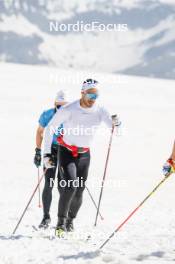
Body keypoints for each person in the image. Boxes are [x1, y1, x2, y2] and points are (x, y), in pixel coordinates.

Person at [43, 79, 120, 236]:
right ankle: (60, 224)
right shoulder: (69, 109)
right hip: (66, 152)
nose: (93, 99)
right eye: (90, 95)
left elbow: (114, 131)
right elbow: (50, 128)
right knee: (70, 186)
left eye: (96, 96)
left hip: (85, 155)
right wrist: (46, 154)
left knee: (79, 191)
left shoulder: (100, 110)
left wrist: (117, 125)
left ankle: (70, 220)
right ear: (82, 93)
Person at [34, 90, 68, 228]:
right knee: (49, 183)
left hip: (65, 150)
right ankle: (46, 217)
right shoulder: (47, 114)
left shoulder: (71, 116)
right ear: (55, 104)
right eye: (59, 106)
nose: (61, 109)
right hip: (51, 150)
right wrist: (38, 150)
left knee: (63, 186)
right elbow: (39, 132)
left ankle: (63, 219)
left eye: (64, 106)